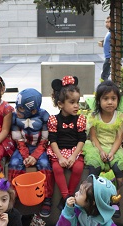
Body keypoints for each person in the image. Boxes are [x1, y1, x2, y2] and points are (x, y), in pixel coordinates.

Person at [82, 81, 123, 217]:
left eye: (113, 99)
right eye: (105, 99)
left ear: (118, 100)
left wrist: (111, 153)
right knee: (94, 169)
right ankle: (94, 199)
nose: (110, 102)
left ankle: (115, 199)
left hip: (114, 148)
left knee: (118, 169)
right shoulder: (94, 116)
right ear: (98, 101)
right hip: (96, 147)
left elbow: (118, 138)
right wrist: (101, 151)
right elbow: (93, 137)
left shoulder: (120, 118)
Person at [8, 88, 54, 218]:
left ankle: (47, 198)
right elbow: (17, 138)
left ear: (33, 110)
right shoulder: (15, 117)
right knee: (15, 163)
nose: (17, 111)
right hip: (22, 147)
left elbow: (45, 139)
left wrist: (35, 156)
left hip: (39, 148)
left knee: (45, 164)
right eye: (17, 107)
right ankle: (12, 197)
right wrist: (25, 155)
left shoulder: (44, 116)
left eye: (21, 109)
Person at [47, 75, 87, 209]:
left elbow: (82, 139)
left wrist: (73, 155)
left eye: (77, 101)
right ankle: (66, 197)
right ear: (60, 104)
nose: (76, 106)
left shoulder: (80, 119)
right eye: (72, 102)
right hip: (58, 151)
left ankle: (69, 195)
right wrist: (59, 157)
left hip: (75, 150)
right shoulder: (54, 120)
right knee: (57, 168)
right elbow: (52, 140)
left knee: (78, 168)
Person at [100, 16, 111, 81]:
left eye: (108, 22)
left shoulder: (113, 32)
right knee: (104, 75)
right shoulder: (109, 32)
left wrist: (111, 57)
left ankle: (105, 90)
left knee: (104, 76)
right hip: (107, 57)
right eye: (106, 22)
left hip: (109, 57)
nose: (106, 24)